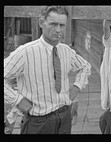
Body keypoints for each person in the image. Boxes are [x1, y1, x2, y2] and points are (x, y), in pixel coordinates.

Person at [4, 6, 91, 134]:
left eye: (62, 25)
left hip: (64, 118)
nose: (58, 30)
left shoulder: (66, 51)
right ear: (41, 23)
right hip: (38, 122)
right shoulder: (25, 52)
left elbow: (85, 67)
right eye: (53, 24)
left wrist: (76, 87)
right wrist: (17, 100)